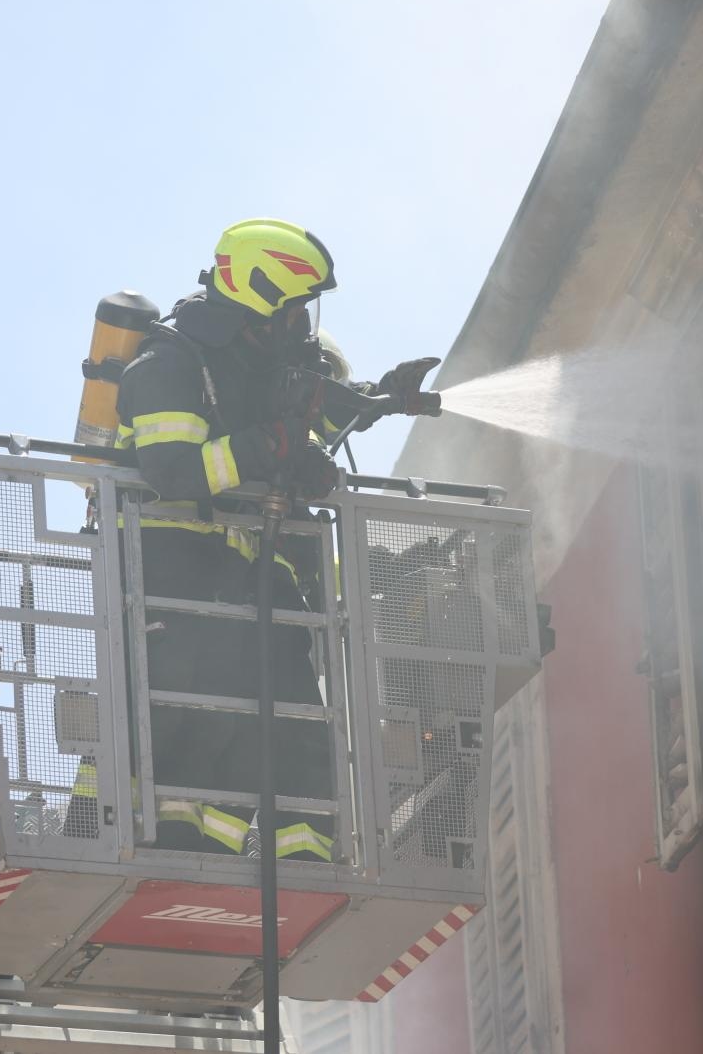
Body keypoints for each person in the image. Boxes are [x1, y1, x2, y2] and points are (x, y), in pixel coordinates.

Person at [67, 218, 432, 860]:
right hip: (173, 578)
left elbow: (313, 408)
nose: (303, 326)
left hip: (258, 588)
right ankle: (131, 846)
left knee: (298, 735)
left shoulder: (258, 368)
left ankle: (305, 866)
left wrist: (381, 398)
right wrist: (265, 447)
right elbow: (174, 471)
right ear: (261, 298)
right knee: (179, 728)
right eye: (294, 310)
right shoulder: (169, 362)